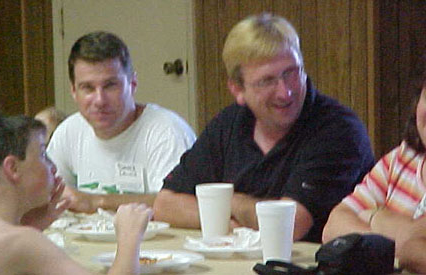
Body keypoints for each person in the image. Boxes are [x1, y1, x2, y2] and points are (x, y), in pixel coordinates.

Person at [153, 13, 374, 243]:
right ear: (238, 90)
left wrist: (229, 202)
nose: (285, 92)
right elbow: (165, 204)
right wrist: (230, 224)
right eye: (267, 81)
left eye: (291, 73)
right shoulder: (229, 123)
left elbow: (289, 225)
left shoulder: (338, 129)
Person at [0, 107, 153, 274]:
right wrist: (129, 238)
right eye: (43, 154)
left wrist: (28, 226)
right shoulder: (24, 242)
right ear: (12, 168)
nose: (53, 167)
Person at [47, 31, 196, 213]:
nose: (100, 100)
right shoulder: (68, 132)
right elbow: (46, 195)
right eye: (88, 88)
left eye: (110, 85)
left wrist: (95, 201)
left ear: (132, 84)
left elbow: (179, 205)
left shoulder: (167, 132)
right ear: (73, 91)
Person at [322, 63, 426, 273]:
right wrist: (397, 238)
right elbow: (333, 228)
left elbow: (412, 247)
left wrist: (375, 217)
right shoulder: (402, 158)